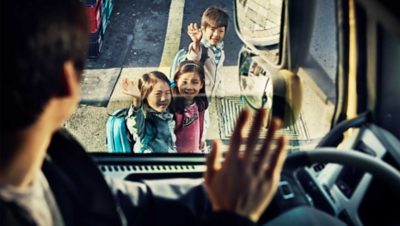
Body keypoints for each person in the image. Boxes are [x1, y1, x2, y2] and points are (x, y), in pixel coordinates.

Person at [0, 1, 288, 226]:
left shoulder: (54, 171)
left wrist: (213, 196)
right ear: (68, 85)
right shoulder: (65, 171)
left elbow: (133, 204)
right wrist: (232, 218)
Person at [122, 72, 176, 153]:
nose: (164, 98)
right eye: (158, 94)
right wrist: (137, 100)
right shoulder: (144, 120)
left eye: (167, 93)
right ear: (145, 96)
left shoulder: (166, 113)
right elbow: (135, 124)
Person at [186, 6, 228, 98]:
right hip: (197, 98)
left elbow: (218, 75)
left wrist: (221, 94)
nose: (216, 34)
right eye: (212, 29)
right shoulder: (200, 47)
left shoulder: (220, 52)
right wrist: (196, 42)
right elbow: (193, 59)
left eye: (221, 31)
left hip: (210, 98)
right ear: (203, 29)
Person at [171, 61, 208, 153]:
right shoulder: (172, 107)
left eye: (194, 82)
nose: (189, 87)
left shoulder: (200, 104)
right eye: (184, 82)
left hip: (194, 151)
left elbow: (201, 123)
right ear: (176, 81)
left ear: (201, 84)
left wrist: (201, 139)